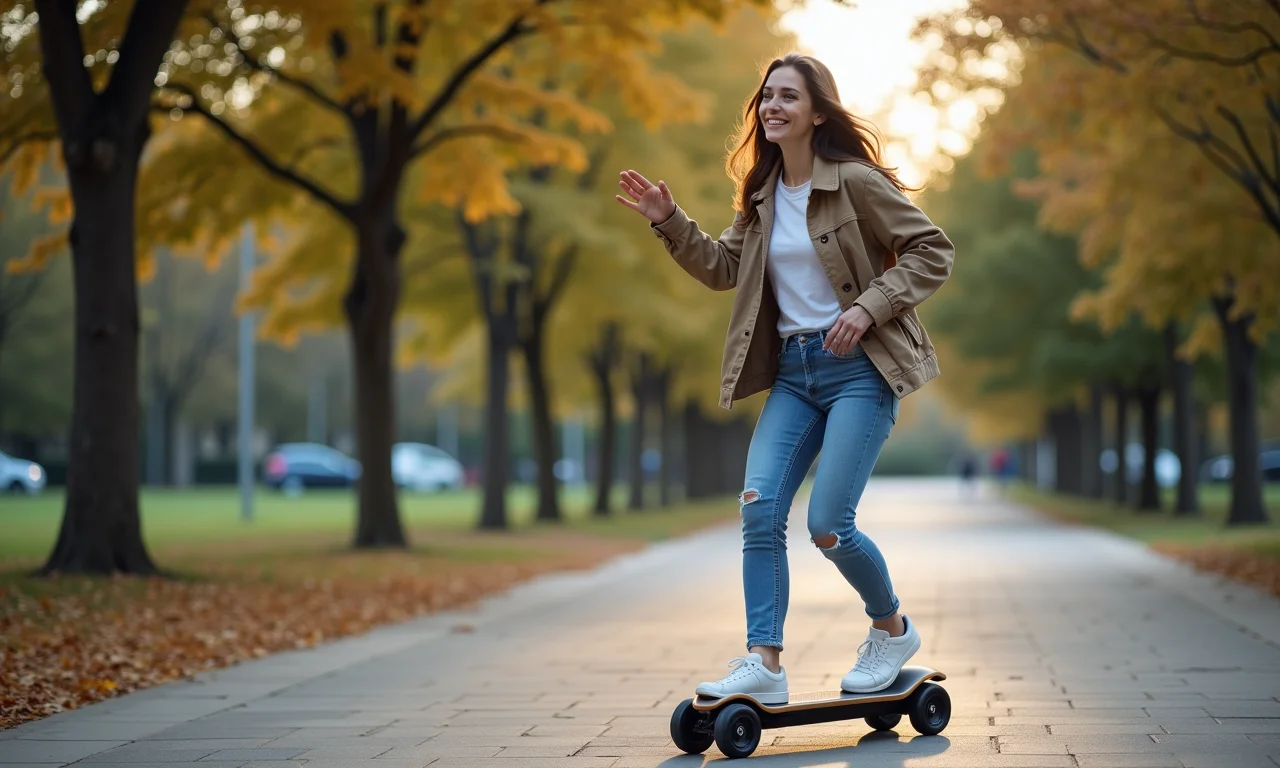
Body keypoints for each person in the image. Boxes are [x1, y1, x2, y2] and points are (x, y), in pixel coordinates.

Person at [615, 53, 954, 702]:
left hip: (862, 371)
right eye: (766, 95)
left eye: (788, 96)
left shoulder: (855, 182)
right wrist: (669, 221)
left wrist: (867, 307)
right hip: (795, 376)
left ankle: (892, 629)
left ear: (817, 112)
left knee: (829, 523)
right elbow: (722, 269)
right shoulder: (763, 197)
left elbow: (932, 250)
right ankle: (764, 663)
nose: (772, 105)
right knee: (759, 509)